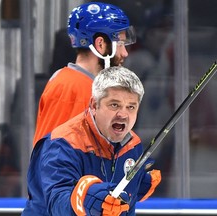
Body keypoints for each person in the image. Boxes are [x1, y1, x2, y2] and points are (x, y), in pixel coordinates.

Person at [22, 66, 161, 215]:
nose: (123, 114)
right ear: (94, 105)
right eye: (114, 105)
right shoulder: (62, 144)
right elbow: (57, 203)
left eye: (131, 107)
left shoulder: (133, 144)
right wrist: (86, 197)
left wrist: (134, 187)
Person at [33, 2, 136, 146]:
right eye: (120, 44)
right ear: (100, 44)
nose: (124, 53)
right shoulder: (72, 87)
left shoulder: (81, 84)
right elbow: (53, 158)